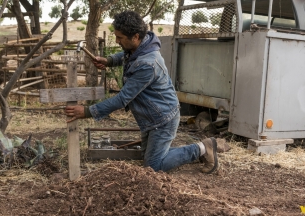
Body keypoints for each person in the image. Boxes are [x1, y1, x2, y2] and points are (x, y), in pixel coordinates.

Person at [65, 11, 218, 174]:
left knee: (153, 167)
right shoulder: (142, 45)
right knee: (149, 157)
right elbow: (125, 56)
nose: (117, 41)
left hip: (163, 119)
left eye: (120, 37)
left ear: (135, 36)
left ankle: (202, 148)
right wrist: (109, 61)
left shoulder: (147, 64)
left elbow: (122, 99)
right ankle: (202, 149)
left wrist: (88, 111)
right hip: (152, 117)